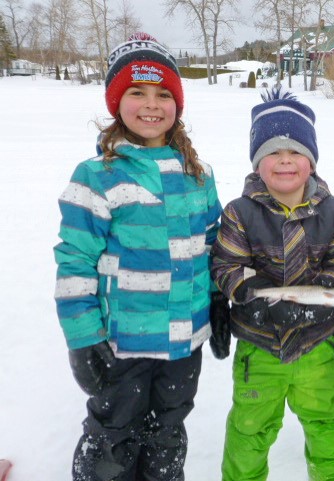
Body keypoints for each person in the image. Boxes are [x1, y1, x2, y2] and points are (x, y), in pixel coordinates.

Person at [53, 32, 227, 481]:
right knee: (114, 434)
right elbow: (74, 262)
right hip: (121, 342)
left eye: (163, 94)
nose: (151, 105)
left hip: (184, 340)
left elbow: (214, 245)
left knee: (168, 431)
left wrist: (219, 301)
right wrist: (82, 337)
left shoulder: (198, 174)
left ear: (177, 104)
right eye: (137, 92)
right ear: (116, 102)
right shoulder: (97, 176)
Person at [210, 87, 334, 481]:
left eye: (295, 152)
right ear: (258, 163)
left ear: (310, 162)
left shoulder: (333, 211)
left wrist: (328, 288)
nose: (285, 162)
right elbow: (226, 263)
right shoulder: (239, 212)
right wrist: (255, 297)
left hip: (316, 345)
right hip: (259, 348)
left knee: (328, 426)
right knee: (249, 431)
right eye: (273, 154)